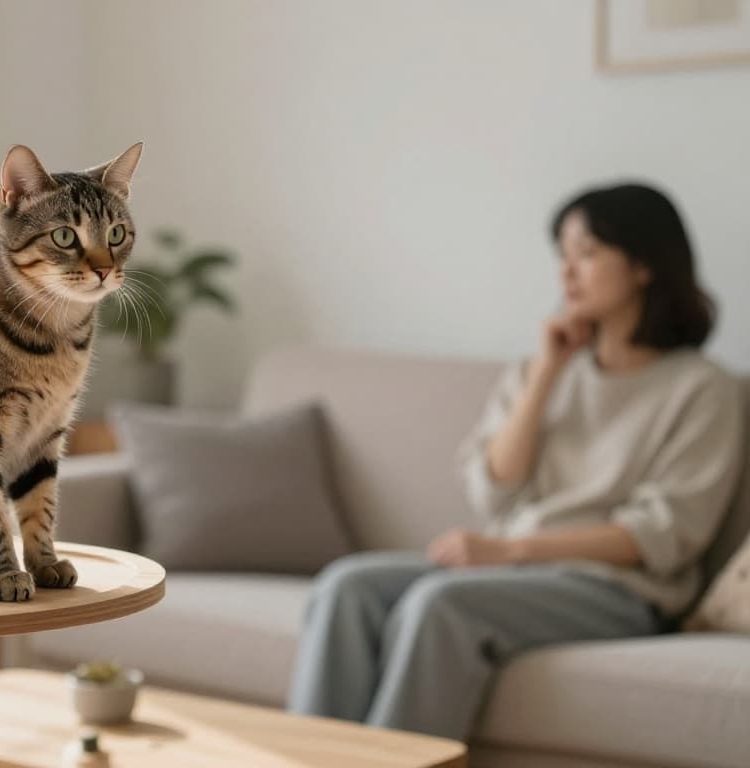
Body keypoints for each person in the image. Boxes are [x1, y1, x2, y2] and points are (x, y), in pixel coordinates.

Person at [285, 183, 745, 740]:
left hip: (617, 592)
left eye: (587, 254)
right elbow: (492, 490)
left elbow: (664, 534)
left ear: (645, 264)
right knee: (345, 587)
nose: (566, 274)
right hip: (513, 571)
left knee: (441, 605)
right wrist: (547, 373)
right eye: (562, 256)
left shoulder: (705, 390)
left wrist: (509, 549)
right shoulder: (542, 369)